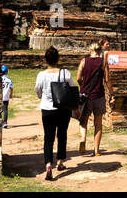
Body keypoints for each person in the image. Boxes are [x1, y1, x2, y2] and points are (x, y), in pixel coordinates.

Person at [33, 46, 72, 180]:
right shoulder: (65, 73)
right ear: (58, 59)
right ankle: (60, 162)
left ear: (45, 60)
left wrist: (43, 97)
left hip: (47, 109)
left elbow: (38, 90)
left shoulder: (41, 75)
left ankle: (48, 164)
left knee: (48, 138)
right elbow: (71, 88)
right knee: (62, 135)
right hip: (63, 109)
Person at [76, 38, 110, 156]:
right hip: (99, 95)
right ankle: (96, 150)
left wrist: (83, 87)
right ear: (100, 51)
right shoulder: (103, 62)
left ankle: (83, 138)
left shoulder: (84, 61)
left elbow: (78, 78)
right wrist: (112, 93)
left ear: (90, 50)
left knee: (83, 121)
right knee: (98, 124)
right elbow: (106, 80)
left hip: (86, 96)